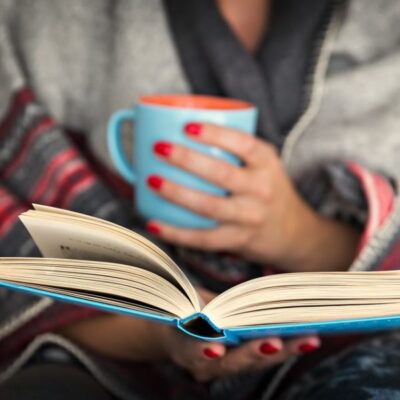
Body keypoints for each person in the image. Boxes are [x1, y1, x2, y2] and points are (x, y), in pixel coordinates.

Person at [1, 0, 400, 399]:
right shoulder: (40, 17)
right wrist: (150, 330)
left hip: (349, 354)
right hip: (98, 359)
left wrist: (299, 234)